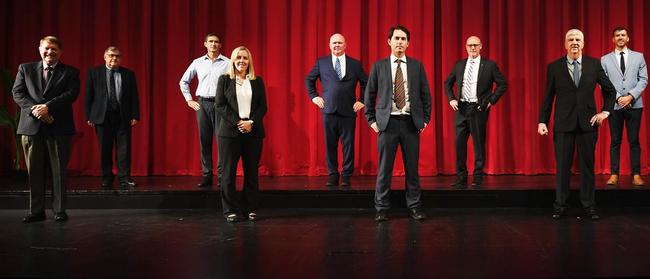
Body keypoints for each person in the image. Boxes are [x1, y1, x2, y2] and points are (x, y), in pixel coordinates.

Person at [538, 29, 616, 220]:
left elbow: (610, 91)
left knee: (588, 167)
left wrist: (605, 112)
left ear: (583, 43)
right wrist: (542, 121)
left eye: (578, 39)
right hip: (563, 124)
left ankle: (589, 206)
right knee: (563, 167)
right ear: (565, 44)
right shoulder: (554, 67)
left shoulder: (594, 64)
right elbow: (548, 97)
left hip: (588, 124)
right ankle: (561, 205)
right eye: (571, 39)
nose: (574, 42)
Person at [365, 25, 431, 222]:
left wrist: (425, 119)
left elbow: (425, 94)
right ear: (389, 41)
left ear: (408, 43)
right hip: (388, 124)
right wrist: (371, 119)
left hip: (411, 123)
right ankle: (381, 208)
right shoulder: (379, 66)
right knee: (384, 169)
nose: (400, 42)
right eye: (397, 38)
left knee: (412, 169)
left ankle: (414, 206)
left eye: (403, 39)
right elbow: (369, 94)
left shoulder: (417, 66)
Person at [12, 36, 80, 222]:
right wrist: (37, 110)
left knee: (59, 172)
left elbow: (71, 94)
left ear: (61, 52)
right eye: (47, 48)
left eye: (54, 49)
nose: (50, 52)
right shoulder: (25, 69)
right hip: (31, 127)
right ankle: (36, 211)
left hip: (59, 128)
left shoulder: (70, 72)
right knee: (34, 172)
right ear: (40, 49)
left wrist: (48, 107)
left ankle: (59, 210)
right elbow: (17, 93)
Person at [305, 33, 368, 187]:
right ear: (329, 45)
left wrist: (362, 101)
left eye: (340, 43)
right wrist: (314, 97)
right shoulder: (322, 63)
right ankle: (333, 174)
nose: (337, 45)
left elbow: (367, 83)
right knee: (330, 144)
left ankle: (346, 175)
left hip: (348, 111)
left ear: (345, 45)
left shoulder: (355, 64)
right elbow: (309, 80)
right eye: (334, 43)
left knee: (348, 145)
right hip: (329, 111)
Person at [444, 36, 507, 189]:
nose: (472, 48)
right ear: (466, 47)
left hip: (478, 109)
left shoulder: (490, 65)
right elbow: (448, 82)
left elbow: (502, 84)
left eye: (475, 45)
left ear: (481, 47)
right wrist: (452, 98)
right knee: (459, 144)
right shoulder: (459, 65)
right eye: (470, 45)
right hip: (461, 109)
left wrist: (491, 100)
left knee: (478, 144)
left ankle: (477, 177)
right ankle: (461, 177)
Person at [215, 46, 267, 222]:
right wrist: (238, 122)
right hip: (230, 132)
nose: (241, 61)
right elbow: (220, 105)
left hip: (253, 131)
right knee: (228, 173)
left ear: (249, 61)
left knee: (251, 172)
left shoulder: (257, 81)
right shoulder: (224, 80)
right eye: (238, 58)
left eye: (245, 58)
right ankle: (230, 210)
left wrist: (250, 122)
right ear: (233, 60)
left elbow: (262, 107)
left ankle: (249, 208)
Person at [85, 46, 140, 189]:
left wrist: (135, 115)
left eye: (117, 56)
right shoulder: (94, 73)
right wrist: (89, 115)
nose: (114, 58)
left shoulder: (128, 74)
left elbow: (134, 96)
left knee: (124, 149)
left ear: (120, 58)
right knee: (105, 149)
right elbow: (88, 96)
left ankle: (124, 178)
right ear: (105, 57)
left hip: (123, 116)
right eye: (111, 55)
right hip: (102, 117)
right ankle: (106, 178)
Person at [179, 33, 230, 188]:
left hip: (220, 105)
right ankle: (207, 175)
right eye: (210, 42)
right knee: (205, 141)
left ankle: (222, 177)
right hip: (202, 104)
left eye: (216, 42)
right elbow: (183, 81)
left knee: (222, 141)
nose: (213, 44)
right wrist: (189, 100)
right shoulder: (198, 62)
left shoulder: (228, 63)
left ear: (220, 45)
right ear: (205, 44)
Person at [600, 27, 648, 188]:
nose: (620, 38)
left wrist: (631, 96)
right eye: (617, 35)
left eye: (623, 35)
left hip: (635, 105)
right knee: (615, 140)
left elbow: (643, 80)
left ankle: (636, 174)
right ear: (613, 39)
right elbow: (604, 83)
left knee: (634, 140)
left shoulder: (638, 57)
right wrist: (619, 97)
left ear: (628, 38)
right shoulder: (605, 59)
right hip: (614, 105)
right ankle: (614, 174)